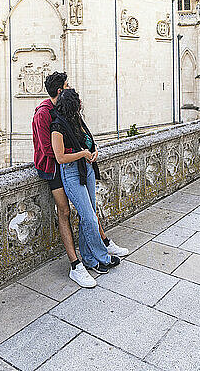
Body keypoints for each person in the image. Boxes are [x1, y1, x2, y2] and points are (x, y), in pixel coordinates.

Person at [32, 72, 128, 288]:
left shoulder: (67, 113)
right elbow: (49, 151)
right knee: (67, 213)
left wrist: (89, 150)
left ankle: (97, 250)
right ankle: (76, 265)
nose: (70, 87)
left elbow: (83, 136)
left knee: (88, 211)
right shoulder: (44, 114)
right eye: (67, 85)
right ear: (60, 90)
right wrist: (80, 152)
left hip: (76, 166)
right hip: (54, 169)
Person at [51, 88, 121, 285]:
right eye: (78, 101)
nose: (81, 104)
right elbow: (60, 157)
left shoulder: (77, 121)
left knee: (88, 215)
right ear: (72, 105)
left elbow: (89, 142)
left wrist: (94, 150)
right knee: (89, 217)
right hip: (72, 172)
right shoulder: (58, 127)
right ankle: (102, 256)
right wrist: (82, 154)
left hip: (87, 168)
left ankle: (90, 260)